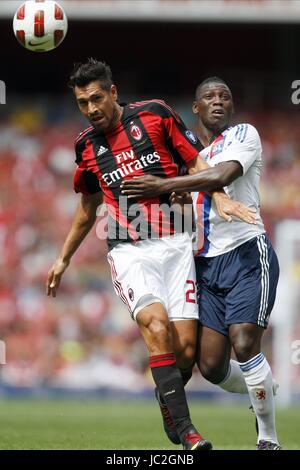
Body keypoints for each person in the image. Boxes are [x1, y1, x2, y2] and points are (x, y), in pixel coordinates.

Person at [46, 61, 255, 450]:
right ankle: (189, 433)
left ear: (113, 91)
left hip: (177, 245)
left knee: (186, 354)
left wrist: (221, 197)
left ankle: (168, 398)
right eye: (81, 103)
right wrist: (63, 258)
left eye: (95, 98)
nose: (91, 109)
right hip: (129, 250)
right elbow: (88, 207)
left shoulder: (156, 114)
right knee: (155, 328)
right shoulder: (85, 146)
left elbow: (195, 161)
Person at [121, 77, 281, 450]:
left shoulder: (244, 135)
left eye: (225, 96)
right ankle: (263, 386)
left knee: (244, 343)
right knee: (209, 366)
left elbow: (223, 176)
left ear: (232, 106)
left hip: (245, 252)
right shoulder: (183, 155)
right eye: (209, 97)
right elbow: (182, 204)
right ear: (195, 108)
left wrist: (165, 185)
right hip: (204, 265)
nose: (218, 101)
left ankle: (267, 438)